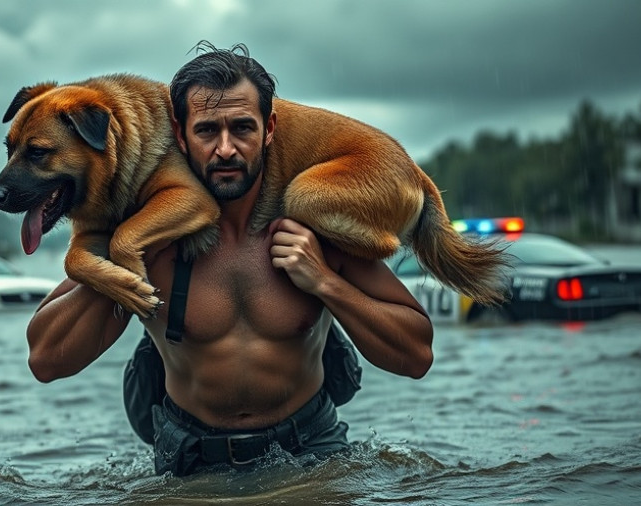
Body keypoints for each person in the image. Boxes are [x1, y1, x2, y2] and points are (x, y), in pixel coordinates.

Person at [25, 43, 434, 477]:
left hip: (314, 450)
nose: (225, 149)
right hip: (190, 461)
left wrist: (324, 282)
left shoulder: (313, 229)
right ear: (180, 134)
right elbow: (46, 360)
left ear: (269, 129)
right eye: (206, 131)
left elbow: (416, 355)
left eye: (242, 128)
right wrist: (123, 268)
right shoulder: (142, 233)